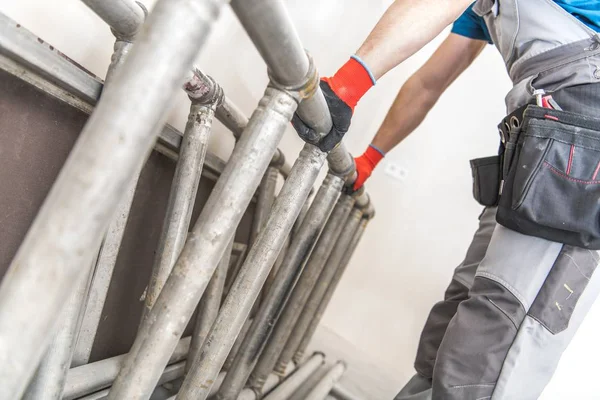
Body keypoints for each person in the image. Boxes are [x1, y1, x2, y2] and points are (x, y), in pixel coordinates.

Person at [292, 1, 600, 399]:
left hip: (581, 134)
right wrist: (370, 158)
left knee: (495, 338)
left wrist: (349, 82)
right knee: (457, 316)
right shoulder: (481, 11)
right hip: (544, 133)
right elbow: (429, 83)